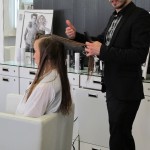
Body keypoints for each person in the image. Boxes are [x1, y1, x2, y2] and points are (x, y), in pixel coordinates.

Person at [65, 0, 150, 150]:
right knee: (120, 136)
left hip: (126, 90)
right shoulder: (114, 16)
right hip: (112, 87)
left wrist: (102, 51)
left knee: (119, 137)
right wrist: (76, 36)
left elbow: (139, 55)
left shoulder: (140, 16)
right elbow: (101, 40)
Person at [16, 34, 72, 117]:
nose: (33, 56)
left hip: (23, 125)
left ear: (46, 55)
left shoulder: (44, 87)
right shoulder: (58, 76)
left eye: (35, 51)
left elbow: (30, 119)